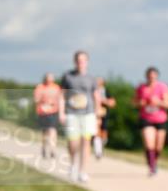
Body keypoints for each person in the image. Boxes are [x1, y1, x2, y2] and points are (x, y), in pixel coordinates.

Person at [59, 50, 100, 182]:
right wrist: (61, 112)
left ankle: (83, 171)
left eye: (83, 60)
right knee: (73, 142)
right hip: (72, 113)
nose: (80, 63)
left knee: (86, 141)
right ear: (74, 61)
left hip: (88, 114)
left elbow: (96, 96)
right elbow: (61, 95)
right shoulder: (67, 77)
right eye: (78, 60)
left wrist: (97, 114)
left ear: (87, 62)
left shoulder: (92, 78)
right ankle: (73, 164)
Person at [134, 67, 168, 176]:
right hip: (146, 118)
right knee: (149, 143)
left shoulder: (162, 87)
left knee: (158, 147)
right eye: (149, 76)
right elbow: (134, 102)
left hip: (160, 119)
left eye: (153, 76)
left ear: (156, 76)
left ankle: (154, 161)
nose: (151, 78)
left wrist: (158, 102)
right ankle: (152, 167)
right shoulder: (141, 87)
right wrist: (140, 103)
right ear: (146, 76)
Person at [33, 73, 62, 158]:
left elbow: (60, 99)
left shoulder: (56, 87)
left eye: (51, 79)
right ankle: (44, 148)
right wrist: (43, 101)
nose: (49, 80)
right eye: (48, 78)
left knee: (53, 130)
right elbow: (36, 99)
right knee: (45, 132)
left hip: (53, 111)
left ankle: (53, 150)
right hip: (43, 112)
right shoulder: (40, 87)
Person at [92, 77, 116, 160]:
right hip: (94, 114)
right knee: (96, 132)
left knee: (104, 135)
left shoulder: (106, 91)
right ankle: (97, 151)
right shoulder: (92, 91)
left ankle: (100, 147)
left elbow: (112, 103)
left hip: (104, 114)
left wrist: (103, 100)